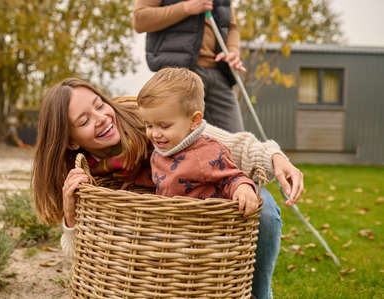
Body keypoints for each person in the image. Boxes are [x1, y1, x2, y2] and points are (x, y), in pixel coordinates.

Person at [32, 78, 304, 299]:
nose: (102, 118)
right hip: (169, 230)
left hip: (213, 187)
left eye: (99, 105)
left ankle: (259, 294)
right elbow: (79, 252)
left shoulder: (147, 122)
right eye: (84, 121)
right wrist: (71, 213)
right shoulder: (83, 173)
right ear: (70, 142)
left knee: (264, 211)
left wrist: (275, 158)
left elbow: (228, 145)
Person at [137, 67, 259, 215]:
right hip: (169, 224)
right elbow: (159, 179)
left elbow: (231, 177)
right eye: (149, 125)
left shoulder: (208, 152)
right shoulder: (161, 150)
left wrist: (242, 188)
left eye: (164, 126)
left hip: (201, 227)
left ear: (194, 121)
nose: (155, 134)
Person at [133, 0, 246, 133]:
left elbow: (231, 27)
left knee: (236, 140)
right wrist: (186, 8)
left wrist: (232, 51)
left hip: (219, 73)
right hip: (179, 74)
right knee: (178, 140)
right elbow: (140, 20)